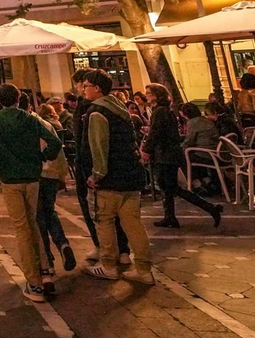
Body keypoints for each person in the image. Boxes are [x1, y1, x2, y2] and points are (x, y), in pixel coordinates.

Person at [0, 83, 62, 300]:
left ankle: (33, 281)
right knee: (33, 222)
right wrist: (44, 156)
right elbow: (55, 140)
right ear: (18, 98)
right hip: (32, 176)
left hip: (9, 177)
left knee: (21, 228)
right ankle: (46, 271)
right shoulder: (30, 118)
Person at [76, 68, 154, 284]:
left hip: (111, 177)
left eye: (86, 86)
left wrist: (97, 174)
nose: (84, 90)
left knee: (105, 221)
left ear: (97, 88)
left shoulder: (97, 112)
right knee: (133, 224)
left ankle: (108, 265)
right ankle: (144, 269)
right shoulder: (121, 109)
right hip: (132, 173)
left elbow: (98, 146)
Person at [144, 84, 223, 228]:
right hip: (168, 154)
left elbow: (155, 132)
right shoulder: (163, 111)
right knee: (169, 187)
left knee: (169, 186)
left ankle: (210, 208)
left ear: (156, 95)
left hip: (165, 154)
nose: (146, 95)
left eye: (149, 93)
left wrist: (146, 149)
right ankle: (171, 217)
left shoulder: (160, 112)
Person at [34, 102, 75, 275]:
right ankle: (63, 244)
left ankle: (48, 261)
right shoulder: (48, 125)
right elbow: (58, 149)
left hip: (36, 175)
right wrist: (62, 174)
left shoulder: (29, 125)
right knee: (49, 212)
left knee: (38, 217)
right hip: (51, 175)